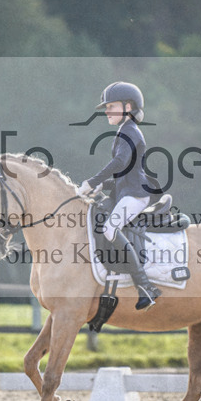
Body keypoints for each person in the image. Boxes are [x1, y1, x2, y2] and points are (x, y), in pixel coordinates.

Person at [77, 82, 161, 310]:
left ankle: (145, 287)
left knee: (109, 229)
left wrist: (92, 182)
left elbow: (120, 163)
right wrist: (102, 186)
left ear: (128, 106)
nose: (106, 111)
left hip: (136, 195)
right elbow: (124, 173)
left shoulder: (130, 131)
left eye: (111, 106)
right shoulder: (124, 131)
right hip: (128, 191)